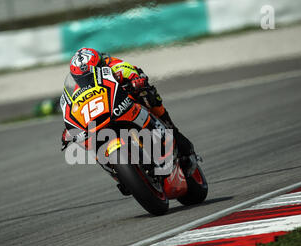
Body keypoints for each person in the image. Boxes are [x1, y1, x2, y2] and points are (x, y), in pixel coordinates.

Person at [61, 47, 198, 171]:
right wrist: (71, 129)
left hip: (126, 99)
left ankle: (172, 131)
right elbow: (73, 107)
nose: (86, 80)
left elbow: (133, 73)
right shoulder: (77, 88)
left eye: (90, 75)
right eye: (82, 79)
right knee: (87, 141)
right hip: (103, 113)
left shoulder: (114, 65)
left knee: (148, 96)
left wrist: (137, 81)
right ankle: (114, 170)